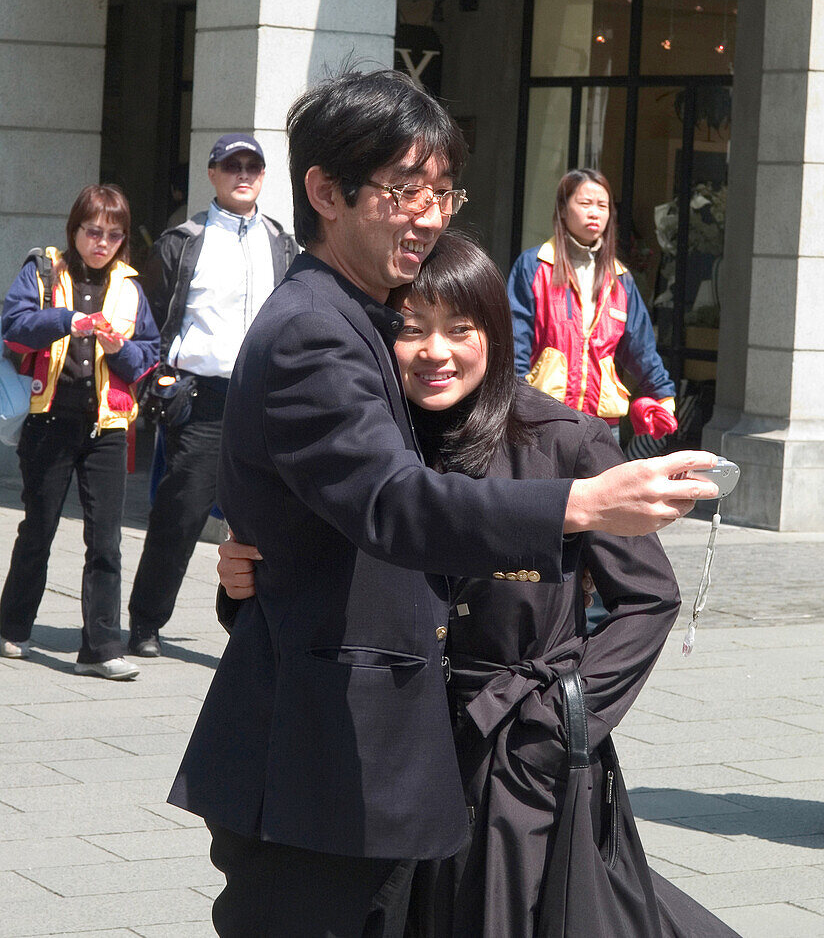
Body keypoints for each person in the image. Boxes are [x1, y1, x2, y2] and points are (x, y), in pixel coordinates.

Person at [167, 69, 718, 938]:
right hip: (319, 769)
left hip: (378, 764)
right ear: (324, 191)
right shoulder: (318, 327)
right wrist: (579, 503)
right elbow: (393, 501)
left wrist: (250, 573)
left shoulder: (369, 318)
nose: (428, 214)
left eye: (442, 191)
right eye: (402, 190)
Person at [126, 133, 297, 657]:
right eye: (231, 166)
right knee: (179, 515)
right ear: (213, 174)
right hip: (202, 401)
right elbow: (146, 315)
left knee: (266, 522)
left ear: (264, 176)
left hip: (263, 401)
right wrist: (157, 375)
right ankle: (144, 623)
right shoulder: (184, 240)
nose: (242, 174)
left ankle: (254, 627)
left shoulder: (281, 242)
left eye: (253, 166)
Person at [0, 185, 159, 680]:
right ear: (75, 230)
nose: (102, 242)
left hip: (107, 426)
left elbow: (147, 359)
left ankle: (102, 649)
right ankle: (12, 626)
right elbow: (13, 325)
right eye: (93, 231)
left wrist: (118, 347)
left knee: (106, 540)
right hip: (49, 421)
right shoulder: (45, 271)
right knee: (39, 529)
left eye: (113, 235)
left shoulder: (130, 287)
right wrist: (69, 319)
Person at [507, 168, 677, 439]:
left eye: (602, 205)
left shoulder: (620, 278)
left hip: (603, 424)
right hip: (544, 417)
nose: (595, 212)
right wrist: (518, 402)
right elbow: (515, 341)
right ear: (563, 209)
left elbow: (640, 347)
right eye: (585, 203)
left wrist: (663, 394)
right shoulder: (534, 267)